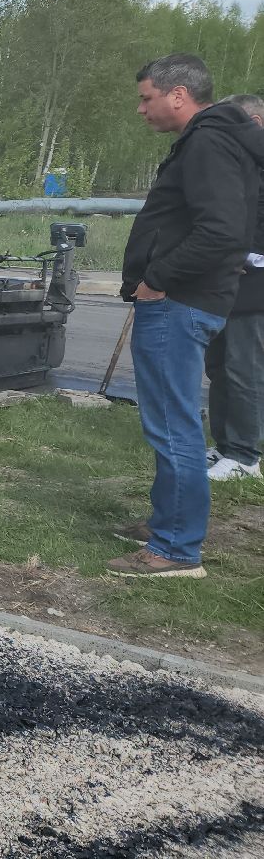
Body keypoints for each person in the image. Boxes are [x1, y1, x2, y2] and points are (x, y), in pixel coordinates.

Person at [112, 56, 264, 578]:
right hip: (192, 299)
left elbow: (221, 230)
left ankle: (175, 549)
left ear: (179, 95)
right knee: (170, 420)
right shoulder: (220, 141)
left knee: (173, 423)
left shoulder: (207, 142)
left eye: (146, 97)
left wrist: (158, 280)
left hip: (178, 303)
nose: (141, 109)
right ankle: (168, 522)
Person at [205, 92, 264, 481]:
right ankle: (225, 445)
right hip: (225, 281)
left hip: (255, 283)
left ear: (255, 123)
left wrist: (246, 255)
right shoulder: (240, 165)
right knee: (219, 365)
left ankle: (245, 454)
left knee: (245, 368)